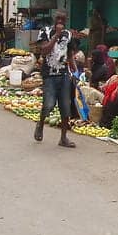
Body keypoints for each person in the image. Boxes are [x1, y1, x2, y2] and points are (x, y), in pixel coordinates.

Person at [34, 12, 77, 148]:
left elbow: (69, 52)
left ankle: (63, 138)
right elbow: (44, 51)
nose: (60, 21)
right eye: (58, 19)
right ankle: (40, 123)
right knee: (49, 104)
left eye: (63, 20)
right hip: (49, 75)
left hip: (64, 75)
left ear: (66, 21)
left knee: (65, 106)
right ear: (54, 19)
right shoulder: (45, 32)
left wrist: (73, 65)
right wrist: (56, 35)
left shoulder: (68, 35)